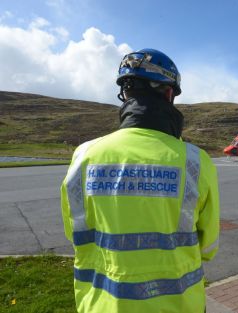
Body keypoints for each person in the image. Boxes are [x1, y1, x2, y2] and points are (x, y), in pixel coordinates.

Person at [61, 48, 220, 313]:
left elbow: (74, 232)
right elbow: (209, 245)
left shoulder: (84, 155)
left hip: (101, 304)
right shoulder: (195, 160)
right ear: (169, 93)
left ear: (125, 93)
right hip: (178, 304)